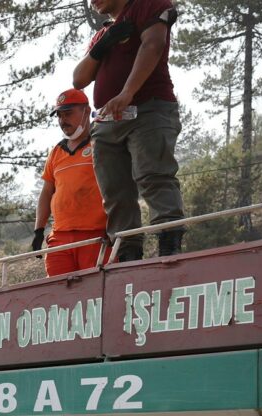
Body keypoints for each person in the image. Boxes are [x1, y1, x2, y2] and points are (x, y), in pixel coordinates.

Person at [73, 0, 184, 261]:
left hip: (148, 109)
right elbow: (78, 79)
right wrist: (102, 45)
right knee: (115, 191)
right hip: (107, 121)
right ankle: (127, 251)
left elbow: (153, 44)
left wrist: (127, 92)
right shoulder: (104, 33)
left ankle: (169, 243)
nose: (92, 1)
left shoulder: (147, 5)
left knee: (154, 176)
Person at [32, 89, 110, 276]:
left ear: (86, 111)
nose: (62, 120)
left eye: (68, 114)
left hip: (95, 235)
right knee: (60, 298)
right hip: (59, 239)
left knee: (97, 294)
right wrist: (38, 230)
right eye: (59, 116)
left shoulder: (102, 142)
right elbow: (46, 192)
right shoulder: (56, 152)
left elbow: (118, 185)